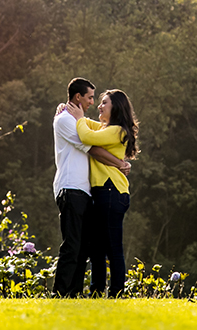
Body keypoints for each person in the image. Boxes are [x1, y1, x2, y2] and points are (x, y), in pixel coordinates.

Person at [52, 77, 129, 297]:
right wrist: (120, 163)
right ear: (78, 97)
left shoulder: (112, 129)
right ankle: (63, 292)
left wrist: (80, 118)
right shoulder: (66, 120)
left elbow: (90, 134)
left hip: (96, 191)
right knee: (77, 245)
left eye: (102, 101)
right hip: (73, 188)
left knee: (89, 246)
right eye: (91, 98)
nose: (94, 103)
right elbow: (91, 145)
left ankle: (79, 293)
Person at [73, 88, 138, 297]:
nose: (99, 106)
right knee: (97, 248)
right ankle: (97, 292)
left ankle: (118, 293)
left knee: (112, 248)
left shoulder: (117, 130)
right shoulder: (107, 128)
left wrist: (79, 117)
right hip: (103, 192)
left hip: (112, 191)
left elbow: (85, 135)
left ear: (115, 108)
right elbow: (91, 126)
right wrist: (74, 114)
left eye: (104, 103)